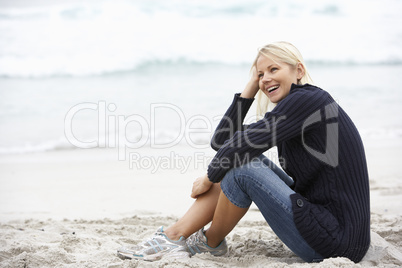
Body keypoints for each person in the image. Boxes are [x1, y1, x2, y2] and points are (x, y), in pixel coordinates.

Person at [117, 41, 370, 263]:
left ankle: (182, 237)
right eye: (260, 74)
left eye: (274, 69)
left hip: (335, 241)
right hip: (331, 229)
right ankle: (191, 239)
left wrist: (209, 178)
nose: (266, 78)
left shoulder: (308, 101)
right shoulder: (294, 107)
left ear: (299, 70)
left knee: (241, 164)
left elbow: (236, 147)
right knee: (240, 158)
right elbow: (223, 140)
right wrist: (250, 88)